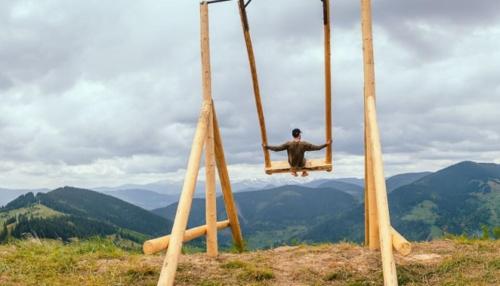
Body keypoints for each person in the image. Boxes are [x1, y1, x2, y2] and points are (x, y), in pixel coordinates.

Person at [263, 128, 331, 177]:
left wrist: (267, 147)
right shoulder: (304, 144)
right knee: (305, 160)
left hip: (291, 164)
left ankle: (294, 172)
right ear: (299, 135)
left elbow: (277, 149)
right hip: (301, 164)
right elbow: (317, 148)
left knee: (293, 159)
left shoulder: (288, 144)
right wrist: (326, 144)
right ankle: (304, 172)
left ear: (293, 135)